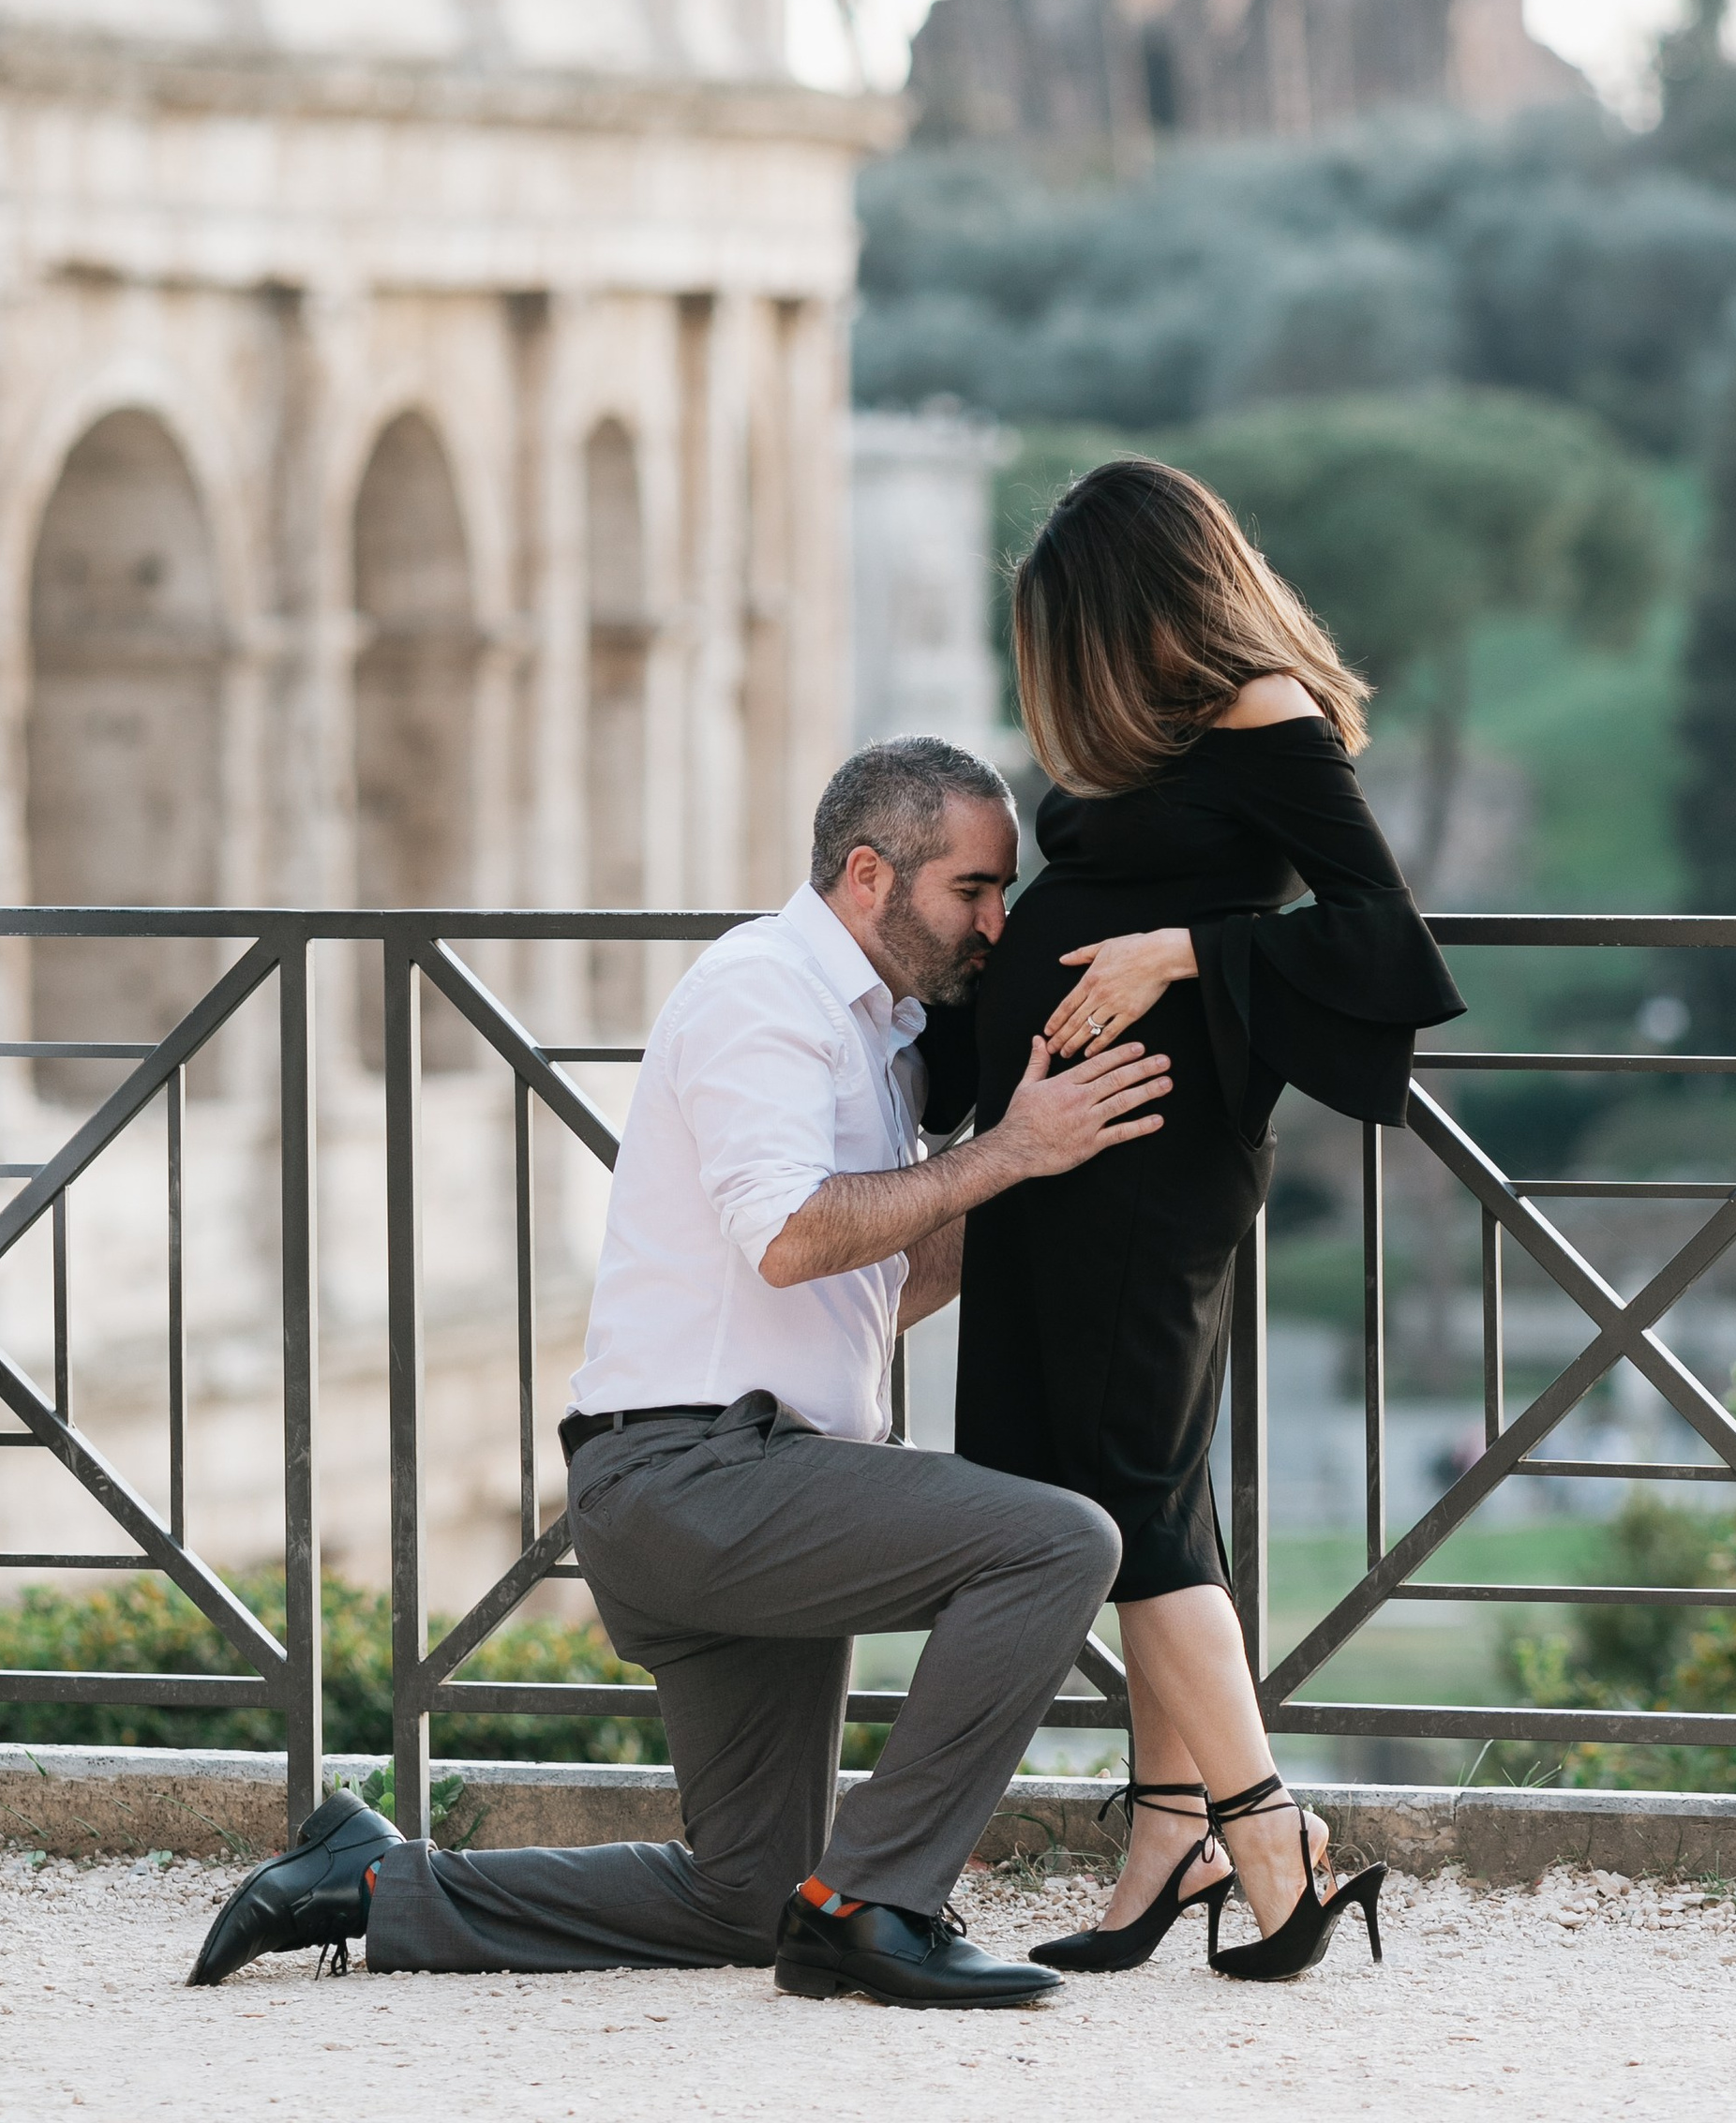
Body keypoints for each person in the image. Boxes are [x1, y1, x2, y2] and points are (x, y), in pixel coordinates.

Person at [189, 737, 1165, 2010]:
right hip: (698, 1479)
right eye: (974, 890)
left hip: (745, 1486)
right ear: (871, 876)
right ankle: (880, 1904)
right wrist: (1006, 1155)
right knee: (1056, 1547)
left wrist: (1050, 1167)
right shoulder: (764, 994)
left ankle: (375, 1881)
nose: (997, 920)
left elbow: (884, 1276)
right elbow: (790, 1235)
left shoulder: (876, 1037)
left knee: (747, 1896)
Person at [953, 459, 1464, 1983]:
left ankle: (1272, 1840)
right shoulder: (1170, 741)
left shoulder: (1261, 713)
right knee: (1130, 1493)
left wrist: (1177, 952)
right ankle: (1164, 1834)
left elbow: (1384, 939)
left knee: (1129, 1493)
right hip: (1063, 1156)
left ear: (1136, 614)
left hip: (1150, 1161)